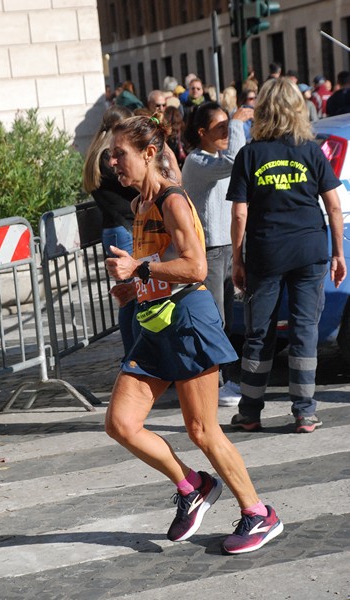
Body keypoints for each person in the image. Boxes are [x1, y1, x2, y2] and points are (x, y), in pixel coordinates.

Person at [104, 112, 283, 555]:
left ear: (148, 153)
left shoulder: (172, 200)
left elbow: (196, 267)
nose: (112, 162)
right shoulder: (139, 205)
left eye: (120, 154)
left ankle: (260, 514)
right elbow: (162, 267)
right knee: (121, 424)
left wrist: (139, 268)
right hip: (155, 323)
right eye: (110, 155)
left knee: (202, 430)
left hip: (188, 322)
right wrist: (134, 287)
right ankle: (192, 486)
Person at [227, 77, 346, 434]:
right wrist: (338, 252)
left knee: (259, 333)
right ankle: (304, 412)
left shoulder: (250, 154)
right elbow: (334, 207)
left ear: (262, 110)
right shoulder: (311, 151)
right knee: (305, 329)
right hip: (310, 250)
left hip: (267, 251)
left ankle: (249, 412)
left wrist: (237, 258)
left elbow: (239, 214)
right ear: (297, 109)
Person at [182, 101, 254, 406]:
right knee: (215, 320)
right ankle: (216, 382)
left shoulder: (216, 158)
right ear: (202, 132)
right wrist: (238, 124)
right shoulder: (197, 162)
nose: (226, 132)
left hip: (228, 247)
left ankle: (219, 379)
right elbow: (236, 161)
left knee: (224, 320)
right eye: (220, 128)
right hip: (210, 250)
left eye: (228, 126)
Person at [83, 105, 137, 355]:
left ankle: (133, 355)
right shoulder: (108, 156)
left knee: (130, 297)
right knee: (131, 297)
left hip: (116, 228)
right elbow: (130, 186)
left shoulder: (98, 153)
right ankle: (133, 356)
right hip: (121, 229)